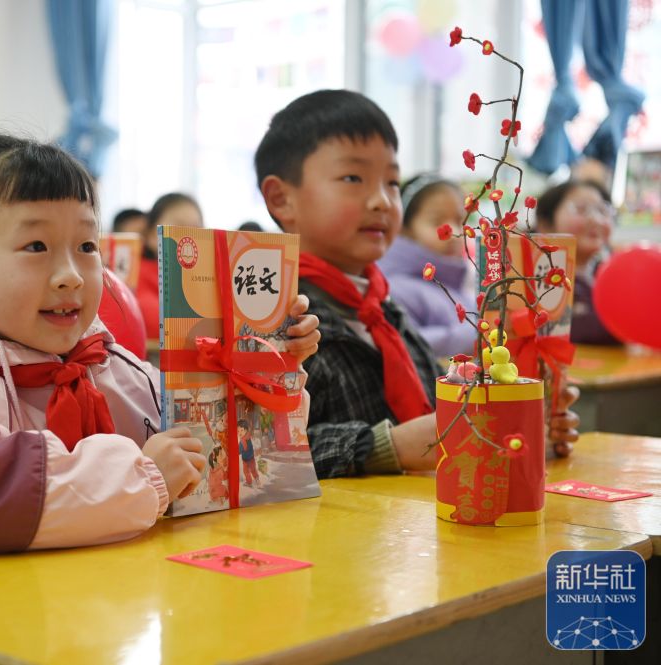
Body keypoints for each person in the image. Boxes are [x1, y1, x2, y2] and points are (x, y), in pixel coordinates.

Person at [0, 134, 322, 555]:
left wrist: (265, 368)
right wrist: (141, 477)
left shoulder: (118, 371)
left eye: (86, 246)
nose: (71, 276)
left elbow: (230, 460)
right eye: (36, 246)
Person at [254, 90, 580, 479]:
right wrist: (387, 446)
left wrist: (517, 420)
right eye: (353, 178)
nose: (381, 200)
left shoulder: (383, 309)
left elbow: (438, 407)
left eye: (392, 182)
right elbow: (261, 455)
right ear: (281, 199)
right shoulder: (275, 317)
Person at [378, 174, 475, 357]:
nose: (453, 232)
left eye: (460, 221)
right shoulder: (392, 289)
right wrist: (480, 334)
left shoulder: (455, 282)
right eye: (437, 221)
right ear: (404, 228)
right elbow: (406, 345)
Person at [536, 180, 620, 345]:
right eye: (581, 209)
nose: (596, 219)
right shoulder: (540, 279)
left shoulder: (614, 275)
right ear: (546, 224)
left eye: (603, 211)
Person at [135, 193, 204, 340]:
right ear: (151, 235)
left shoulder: (205, 279)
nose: (188, 239)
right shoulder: (137, 274)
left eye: (197, 230)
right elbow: (156, 321)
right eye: (179, 229)